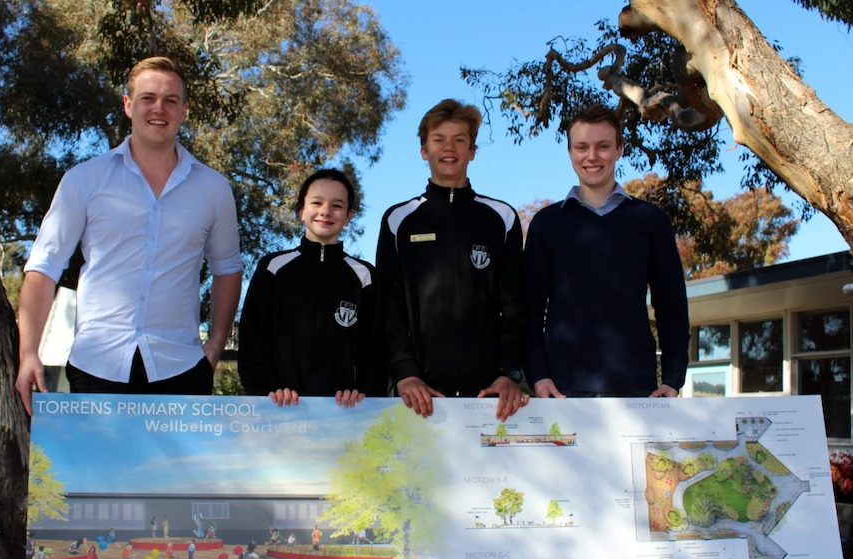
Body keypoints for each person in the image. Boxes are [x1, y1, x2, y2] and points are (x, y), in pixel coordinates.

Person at [15, 55, 243, 416]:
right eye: (147, 97)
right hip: (95, 366)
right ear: (127, 105)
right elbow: (44, 266)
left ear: (184, 110)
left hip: (181, 369)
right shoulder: (84, 179)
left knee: (182, 476)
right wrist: (28, 352)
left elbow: (227, 267)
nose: (159, 108)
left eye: (171, 100)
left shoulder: (214, 189)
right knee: (91, 474)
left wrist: (215, 346)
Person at [375, 98, 527, 422]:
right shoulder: (398, 219)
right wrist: (404, 372)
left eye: (460, 140)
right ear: (423, 150)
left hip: (491, 394)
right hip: (417, 393)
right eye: (439, 139)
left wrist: (508, 374)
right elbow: (389, 306)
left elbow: (515, 307)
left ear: (472, 152)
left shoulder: (501, 217)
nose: (449, 148)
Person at [523, 103, 690, 398]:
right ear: (570, 153)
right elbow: (529, 310)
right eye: (581, 147)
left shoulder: (650, 220)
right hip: (562, 390)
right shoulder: (547, 224)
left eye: (603, 146)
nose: (592, 156)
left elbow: (671, 305)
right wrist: (538, 374)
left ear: (619, 149)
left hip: (637, 388)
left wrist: (673, 378)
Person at [239, 168, 383, 407]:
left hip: (345, 412)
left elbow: (375, 350)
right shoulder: (273, 268)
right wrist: (267, 392)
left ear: (349, 216)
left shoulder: (364, 275)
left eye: (337, 205)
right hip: (281, 407)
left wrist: (363, 394)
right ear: (301, 211)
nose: (326, 211)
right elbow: (253, 340)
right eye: (317, 202)